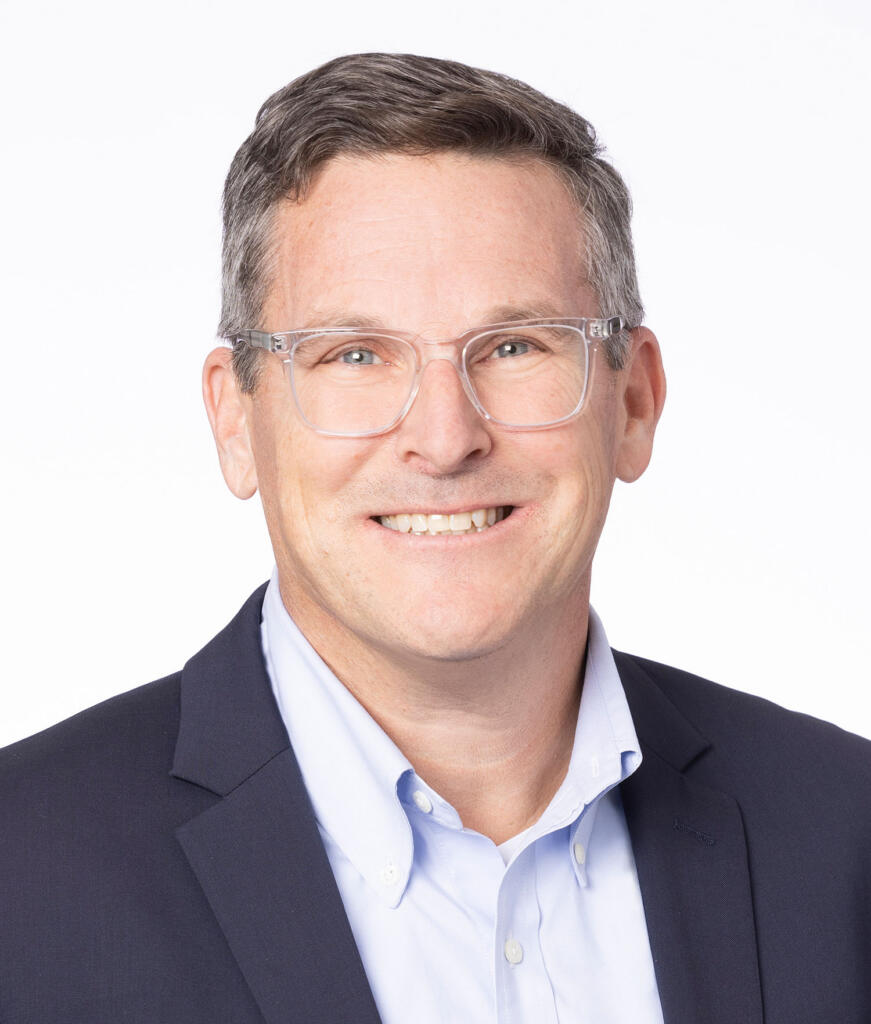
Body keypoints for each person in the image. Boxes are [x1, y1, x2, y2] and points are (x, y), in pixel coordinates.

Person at [0, 52, 868, 1024]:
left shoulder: (847, 836)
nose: (446, 438)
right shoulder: (20, 877)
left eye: (515, 346)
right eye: (355, 355)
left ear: (633, 401)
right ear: (235, 421)